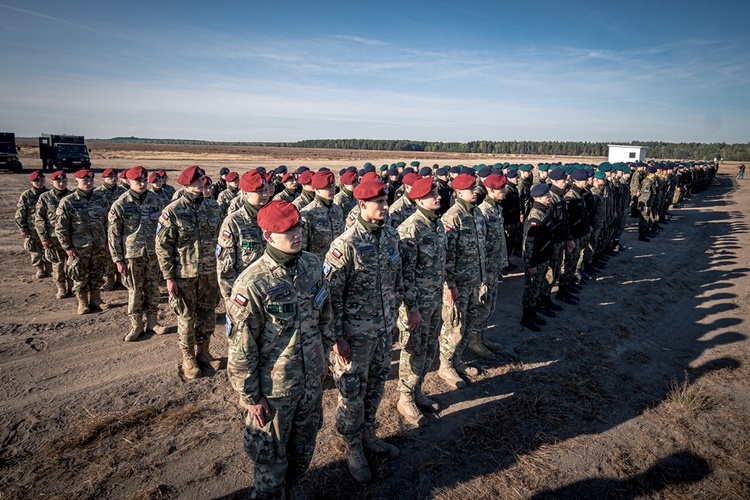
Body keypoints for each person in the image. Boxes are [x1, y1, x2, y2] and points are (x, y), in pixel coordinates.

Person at [226, 200, 334, 499]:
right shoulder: (252, 283)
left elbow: (324, 312)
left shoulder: (312, 264)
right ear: (268, 236)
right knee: (270, 463)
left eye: (297, 226)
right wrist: (251, 396)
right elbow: (241, 348)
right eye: (286, 230)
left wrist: (325, 355)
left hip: (310, 380)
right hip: (275, 390)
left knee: (303, 450)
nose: (296, 234)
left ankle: (295, 489)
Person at [324, 180, 403, 483]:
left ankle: (369, 433)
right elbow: (330, 298)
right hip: (353, 339)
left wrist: (393, 319)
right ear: (361, 206)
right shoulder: (345, 245)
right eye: (378, 202)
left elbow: (395, 282)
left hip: (382, 331)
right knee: (351, 394)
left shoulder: (391, 237)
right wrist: (336, 339)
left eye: (386, 200)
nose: (384, 206)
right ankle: (352, 445)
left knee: (377, 386)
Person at [156, 165, 222, 379]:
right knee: (186, 317)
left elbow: (220, 240)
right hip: (184, 275)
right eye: (195, 182)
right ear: (185, 184)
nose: (200, 185)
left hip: (209, 272)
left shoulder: (212, 207)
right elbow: (163, 246)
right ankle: (189, 357)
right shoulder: (172, 211)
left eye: (202, 181)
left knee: (207, 315)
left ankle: (204, 352)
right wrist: (168, 277)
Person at [395, 177, 446, 427]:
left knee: (429, 349)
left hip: (434, 300)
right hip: (416, 306)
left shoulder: (436, 225)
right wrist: (412, 309)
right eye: (432, 194)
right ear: (419, 200)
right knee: (414, 350)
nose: (438, 196)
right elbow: (404, 276)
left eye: (437, 192)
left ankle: (417, 390)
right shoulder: (410, 229)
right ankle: (405, 397)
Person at [438, 173, 487, 389]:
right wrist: (450, 285)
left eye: (475, 188)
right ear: (458, 193)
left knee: (467, 323)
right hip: (458, 283)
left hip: (474, 281)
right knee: (453, 326)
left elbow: (480, 250)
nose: (474, 191)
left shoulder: (476, 214)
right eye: (470, 189)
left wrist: (482, 278)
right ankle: (445, 364)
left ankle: (457, 360)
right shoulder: (452, 217)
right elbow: (446, 257)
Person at [108, 166, 166, 342]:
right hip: (132, 255)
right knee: (135, 290)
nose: (141, 184)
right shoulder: (121, 204)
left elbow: (163, 229)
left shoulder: (156, 201)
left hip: (153, 253)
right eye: (137, 181)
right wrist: (118, 260)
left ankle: (153, 322)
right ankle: (136, 325)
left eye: (144, 180)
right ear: (129, 182)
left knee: (153, 288)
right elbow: (113, 235)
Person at [54, 169, 110, 315]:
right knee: (79, 275)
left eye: (91, 180)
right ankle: (82, 302)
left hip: (98, 244)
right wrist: (67, 247)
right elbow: (61, 227)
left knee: (97, 273)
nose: (89, 183)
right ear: (76, 182)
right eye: (85, 181)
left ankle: (96, 298)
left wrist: (106, 243)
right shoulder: (68, 201)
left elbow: (107, 223)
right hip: (79, 247)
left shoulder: (101, 199)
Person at [216, 170, 271, 305]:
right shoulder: (234, 222)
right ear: (245, 194)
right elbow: (225, 268)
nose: (265, 195)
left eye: (266, 190)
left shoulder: (273, 218)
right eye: (259, 192)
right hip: (245, 293)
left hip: (271, 290)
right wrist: (231, 301)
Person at [473, 173, 509, 355]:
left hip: (495, 266)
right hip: (486, 269)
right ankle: (474, 340)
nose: (505, 191)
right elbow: (480, 244)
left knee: (490, 306)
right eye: (501, 188)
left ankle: (481, 336)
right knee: (483, 305)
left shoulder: (496, 209)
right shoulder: (483, 212)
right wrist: (483, 272)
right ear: (491, 190)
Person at [520, 183, 554, 332]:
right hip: (535, 261)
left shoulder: (543, 213)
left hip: (542, 258)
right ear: (538, 198)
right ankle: (527, 318)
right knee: (531, 290)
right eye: (547, 195)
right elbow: (529, 245)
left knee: (537, 289)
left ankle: (533, 314)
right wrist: (531, 264)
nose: (549, 197)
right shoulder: (535, 217)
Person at [35, 170, 72, 299]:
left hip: (71, 236)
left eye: (63, 181)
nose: (61, 184)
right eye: (58, 181)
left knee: (72, 264)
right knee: (58, 264)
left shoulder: (72, 196)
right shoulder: (45, 197)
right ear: (52, 182)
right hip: (54, 237)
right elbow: (39, 219)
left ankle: (72, 286)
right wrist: (44, 238)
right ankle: (61, 288)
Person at [300, 171, 345, 263]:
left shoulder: (337, 210)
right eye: (328, 188)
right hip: (316, 263)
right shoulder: (308, 214)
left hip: (337, 263)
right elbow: (302, 248)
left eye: (333, 186)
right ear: (317, 189)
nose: (332, 190)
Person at [97, 168, 128, 291]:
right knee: (108, 256)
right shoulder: (98, 193)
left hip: (122, 228)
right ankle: (110, 279)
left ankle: (121, 279)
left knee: (121, 253)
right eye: (110, 177)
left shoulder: (123, 192)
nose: (113, 179)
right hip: (105, 228)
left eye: (115, 176)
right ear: (104, 178)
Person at [16, 171, 50, 279]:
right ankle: (39, 269)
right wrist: (23, 228)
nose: (39, 183)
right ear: (31, 182)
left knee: (49, 248)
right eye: (36, 181)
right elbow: (20, 213)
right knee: (35, 250)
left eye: (41, 180)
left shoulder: (49, 194)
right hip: (32, 228)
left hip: (47, 227)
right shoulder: (27, 195)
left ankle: (49, 269)